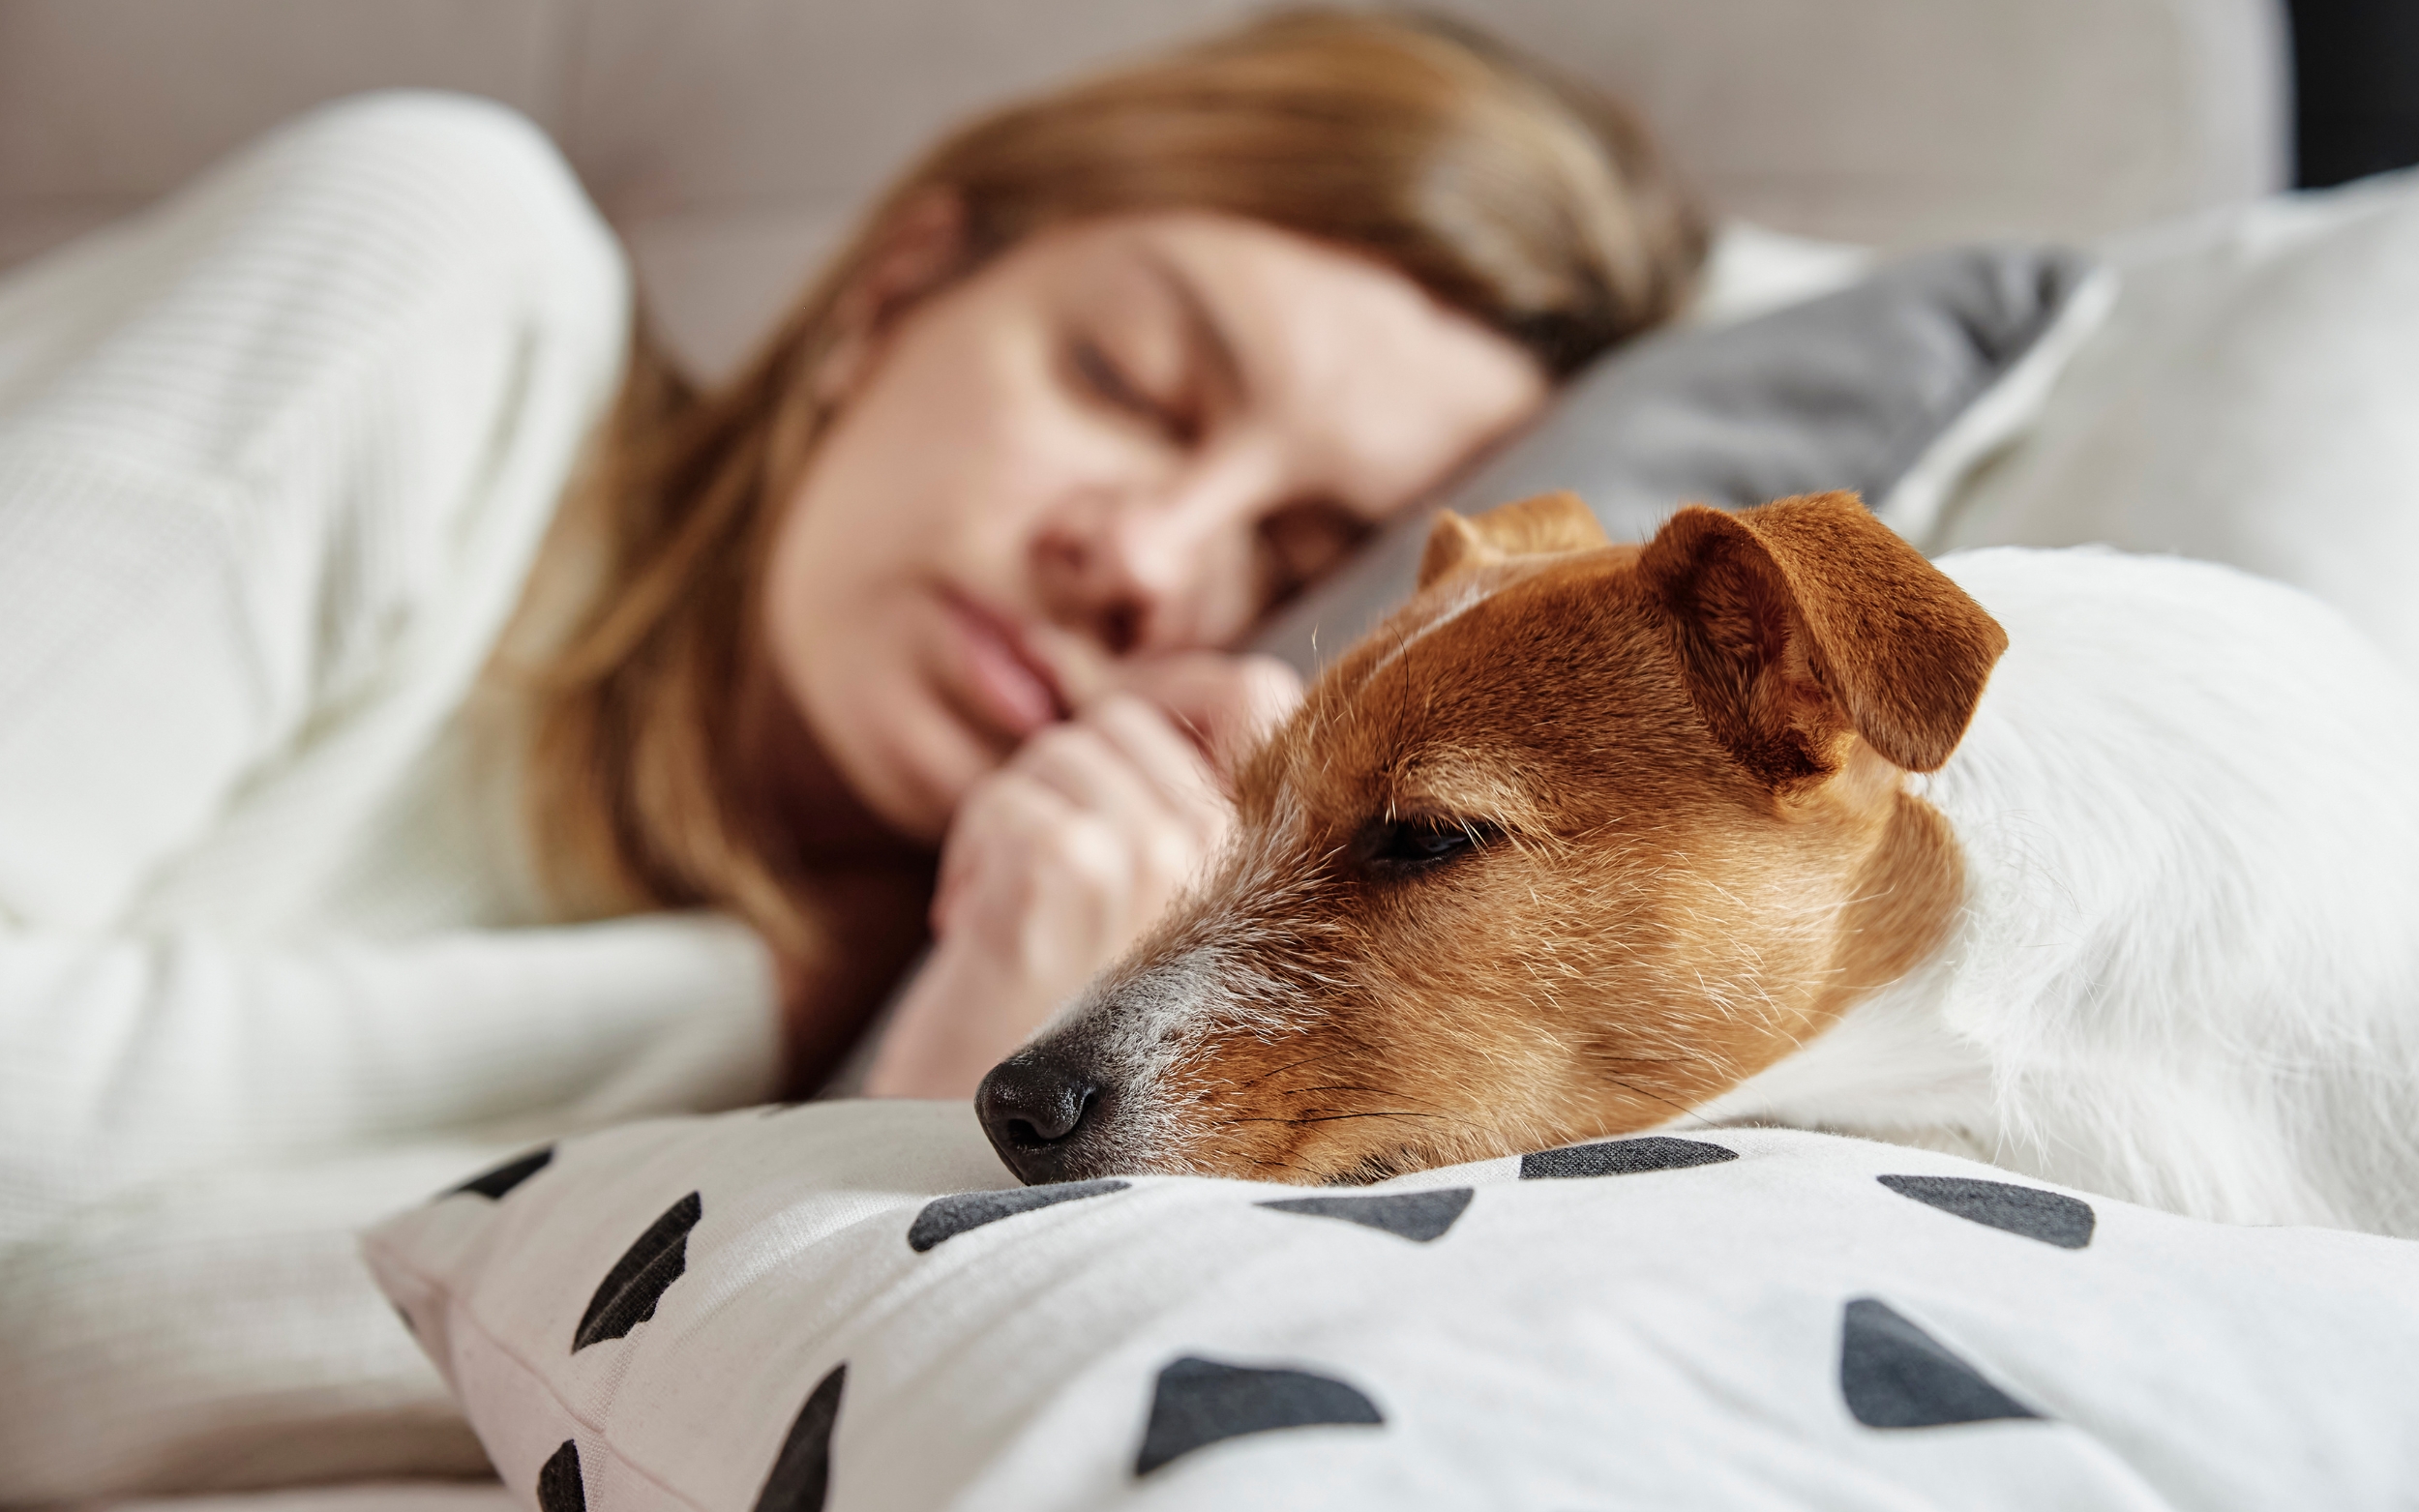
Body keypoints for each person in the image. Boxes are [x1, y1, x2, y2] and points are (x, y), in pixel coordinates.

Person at [0, 11, 1702, 1492]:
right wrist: (771, 998)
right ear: (891, 293)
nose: (1145, 558)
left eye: (1293, 554)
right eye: (1127, 381)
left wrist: (906, 1118)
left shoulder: (1013, 1006)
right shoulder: (446, 277)